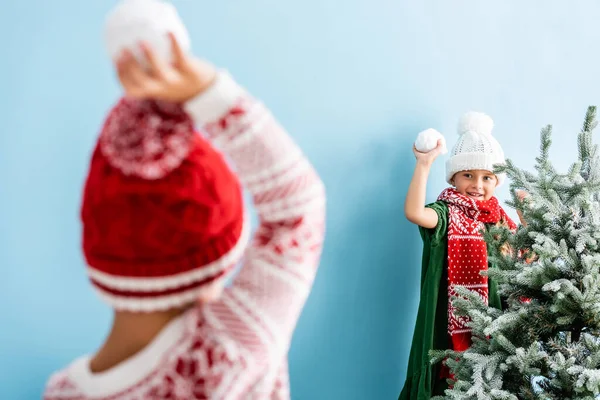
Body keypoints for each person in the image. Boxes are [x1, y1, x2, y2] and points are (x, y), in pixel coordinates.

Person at [44, 33, 326, 400]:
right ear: (211, 266)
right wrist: (210, 93)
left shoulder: (62, 392)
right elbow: (297, 211)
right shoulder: (228, 352)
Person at [398, 112, 525, 399]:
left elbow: (526, 259)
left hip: (493, 320)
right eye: (468, 175)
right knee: (446, 382)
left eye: (487, 177)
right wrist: (423, 164)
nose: (477, 185)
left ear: (496, 181)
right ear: (454, 176)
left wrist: (525, 216)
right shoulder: (446, 212)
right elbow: (415, 213)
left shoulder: (500, 219)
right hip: (447, 320)